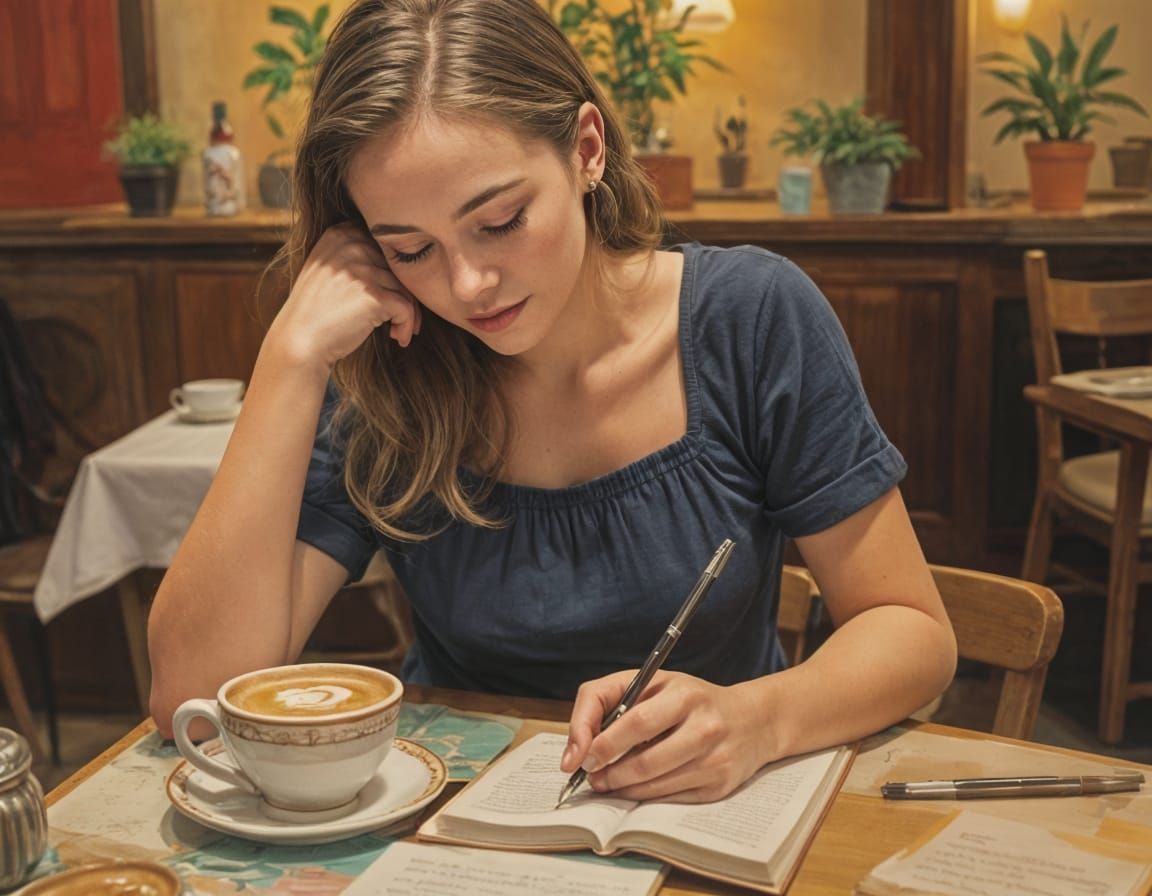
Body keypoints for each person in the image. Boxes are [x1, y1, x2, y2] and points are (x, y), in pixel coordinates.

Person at [148, 0, 956, 803]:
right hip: (451, 819)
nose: (465, 285)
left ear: (586, 149)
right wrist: (290, 357)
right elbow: (191, 695)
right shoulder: (387, 366)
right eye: (410, 249)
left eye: (499, 221)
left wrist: (761, 718)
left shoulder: (749, 317)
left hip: (712, 809)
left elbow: (913, 633)